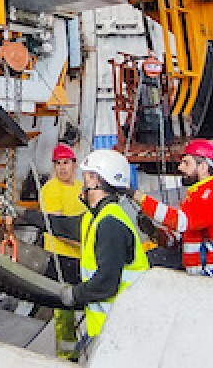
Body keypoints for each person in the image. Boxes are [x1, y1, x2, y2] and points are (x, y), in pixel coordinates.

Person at [56, 148, 149, 351]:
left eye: (86, 177)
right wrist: (27, 216)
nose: (82, 184)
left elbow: (106, 283)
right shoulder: (99, 216)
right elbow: (67, 226)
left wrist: (74, 294)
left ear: (96, 180)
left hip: (118, 330)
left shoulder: (110, 224)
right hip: (109, 328)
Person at [134, 138, 213, 277]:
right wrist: (156, 233)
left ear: (203, 167)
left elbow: (181, 222)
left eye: (186, 162)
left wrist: (140, 198)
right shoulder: (198, 196)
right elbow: (178, 238)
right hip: (205, 277)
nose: (180, 167)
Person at [17, 143, 87, 357]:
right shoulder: (50, 190)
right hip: (61, 257)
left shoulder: (79, 188)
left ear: (74, 165)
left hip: (81, 257)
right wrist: (85, 241)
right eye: (58, 164)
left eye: (66, 163)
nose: (62, 168)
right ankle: (67, 355)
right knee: (63, 308)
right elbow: (57, 227)